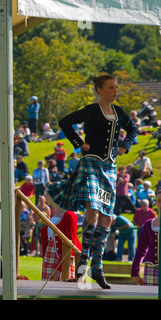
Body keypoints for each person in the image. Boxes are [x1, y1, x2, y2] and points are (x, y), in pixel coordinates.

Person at [46, 74, 138, 289]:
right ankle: (83, 261)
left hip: (110, 166)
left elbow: (133, 129)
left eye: (116, 87)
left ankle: (97, 267)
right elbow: (65, 122)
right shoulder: (91, 110)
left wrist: (126, 144)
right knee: (93, 210)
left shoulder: (119, 113)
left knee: (106, 217)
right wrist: (79, 143)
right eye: (111, 87)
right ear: (99, 90)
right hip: (91, 163)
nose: (115, 91)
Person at [40, 195, 81, 281]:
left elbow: (71, 242)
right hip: (50, 256)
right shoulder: (54, 213)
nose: (45, 196)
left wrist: (61, 267)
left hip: (62, 258)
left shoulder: (69, 215)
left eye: (48, 193)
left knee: (62, 287)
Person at [131, 191, 160, 286]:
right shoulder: (148, 224)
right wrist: (135, 271)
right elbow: (141, 249)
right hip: (151, 268)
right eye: (159, 201)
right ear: (156, 203)